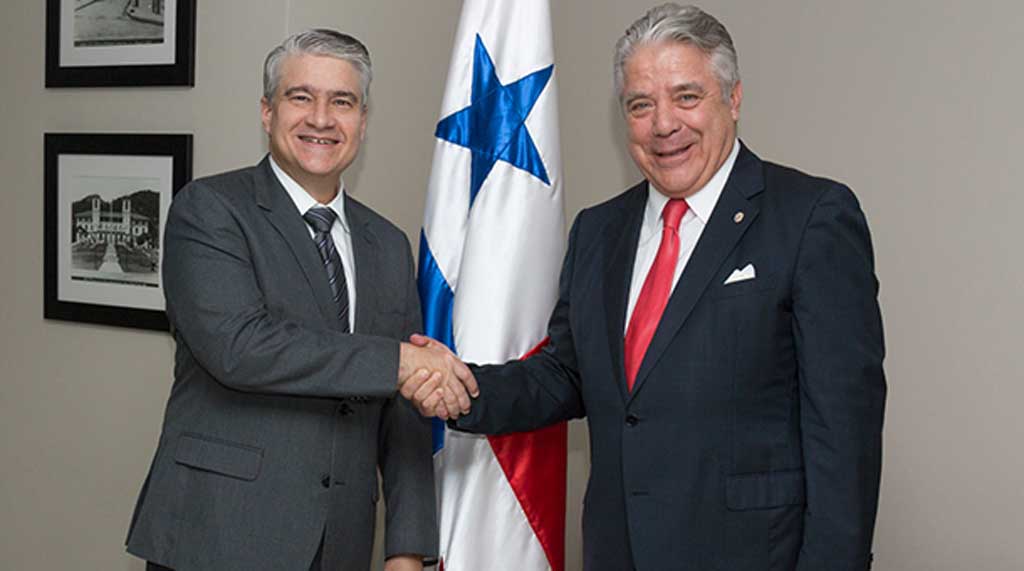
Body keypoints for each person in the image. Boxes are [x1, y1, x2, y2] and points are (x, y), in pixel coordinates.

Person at [407, 4, 886, 570]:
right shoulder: (598, 230)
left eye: (686, 96)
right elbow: (566, 374)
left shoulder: (811, 217)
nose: (663, 124)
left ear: (732, 99)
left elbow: (844, 433)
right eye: (641, 104)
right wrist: (463, 389)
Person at [125, 29, 472, 571]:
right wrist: (400, 361)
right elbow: (241, 347)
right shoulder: (209, 210)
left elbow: (402, 410)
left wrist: (407, 548)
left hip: (341, 542)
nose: (321, 119)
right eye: (301, 97)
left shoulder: (387, 243)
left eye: (343, 102)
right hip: (218, 535)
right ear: (267, 112)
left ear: (362, 121)